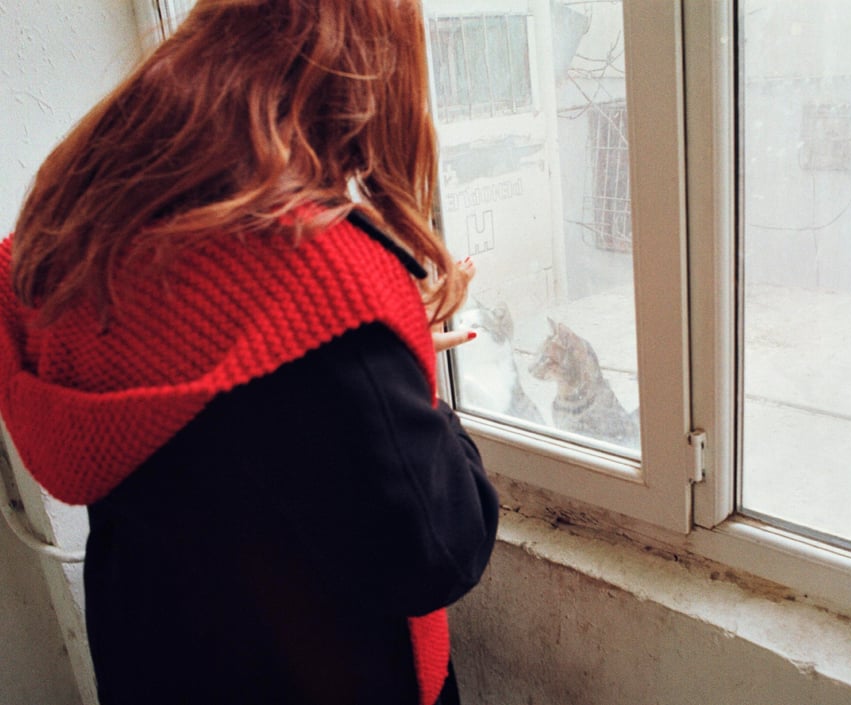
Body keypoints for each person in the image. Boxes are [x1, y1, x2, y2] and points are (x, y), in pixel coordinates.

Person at [0, 1, 499, 704]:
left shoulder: (82, 233)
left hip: (154, 661)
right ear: (368, 67)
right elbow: (442, 549)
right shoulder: (324, 282)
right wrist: (410, 365)